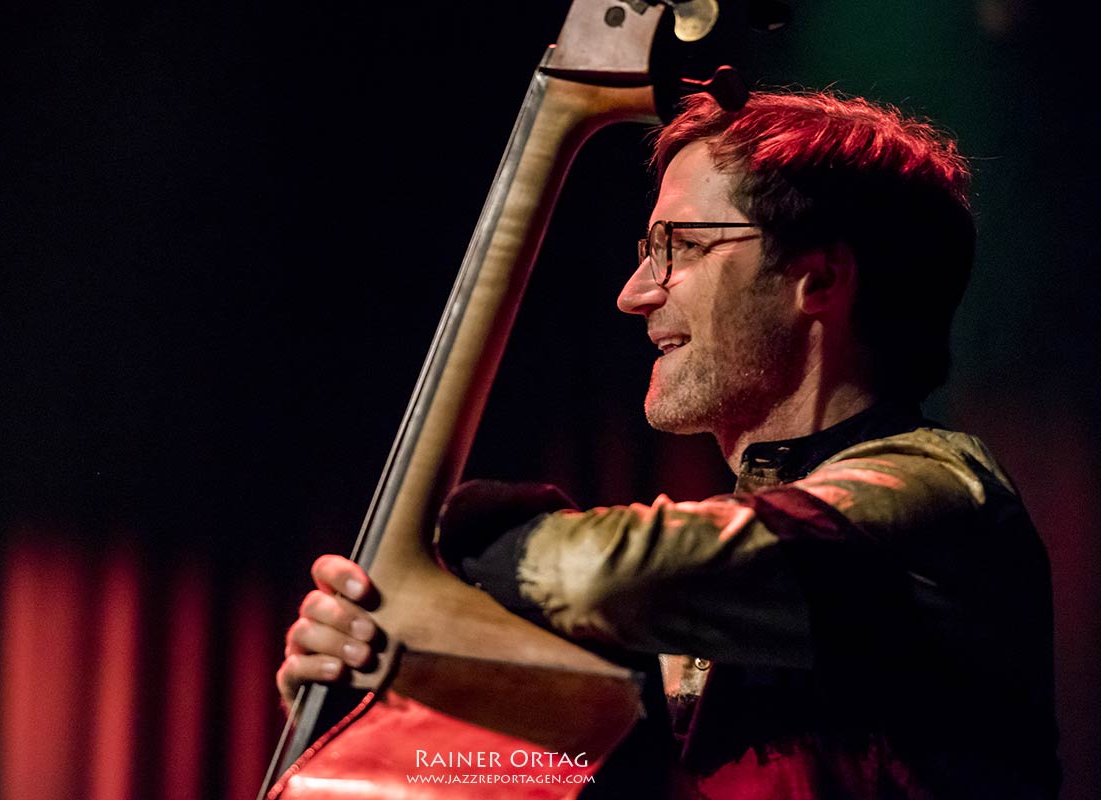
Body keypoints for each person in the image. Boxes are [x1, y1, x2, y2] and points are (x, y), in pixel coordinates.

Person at [275, 90, 1060, 798]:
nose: (634, 292)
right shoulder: (699, 611)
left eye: (677, 246)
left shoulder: (943, 495)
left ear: (817, 280)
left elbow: (593, 580)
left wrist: (449, 541)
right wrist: (382, 674)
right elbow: (504, 769)